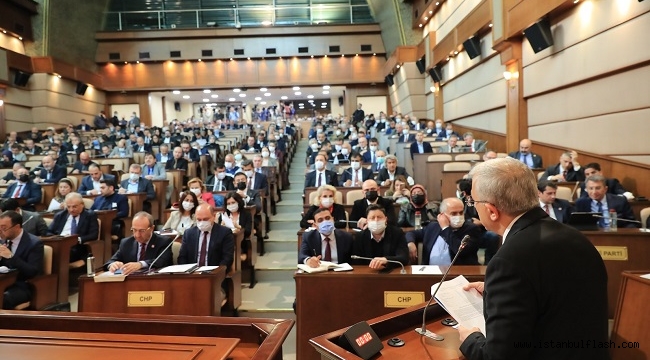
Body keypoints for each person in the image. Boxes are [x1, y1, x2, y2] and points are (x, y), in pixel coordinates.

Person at [457, 157, 608, 360]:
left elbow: (499, 356)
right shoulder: (576, 237)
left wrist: (470, 339)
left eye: (473, 201)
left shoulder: (507, 262)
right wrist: (498, 291)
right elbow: (556, 297)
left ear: (492, 211)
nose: (473, 207)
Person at [406, 197, 480, 265]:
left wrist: (445, 228)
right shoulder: (433, 227)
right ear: (442, 215)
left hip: (458, 274)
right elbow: (411, 233)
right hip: (429, 274)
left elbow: (460, 251)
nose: (458, 216)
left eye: (461, 213)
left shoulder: (471, 229)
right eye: (454, 213)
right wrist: (410, 243)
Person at [0, 211, 44, 309]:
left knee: (3, 298)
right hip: (3, 282)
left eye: (4, 228)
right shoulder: (3, 241)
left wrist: (11, 257)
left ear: (16, 227)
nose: (0, 231)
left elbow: (33, 271)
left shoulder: (34, 243)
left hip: (23, 285)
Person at [105, 212, 173, 275]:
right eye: (134, 230)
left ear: (152, 228)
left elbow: (162, 261)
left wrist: (140, 264)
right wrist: (113, 264)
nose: (137, 235)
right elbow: (110, 261)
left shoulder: (163, 241)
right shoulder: (126, 243)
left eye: (142, 231)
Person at [350, 205, 409, 269]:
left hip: (391, 273)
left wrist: (386, 260)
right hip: (368, 274)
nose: (376, 220)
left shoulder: (397, 233)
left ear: (386, 220)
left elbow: (404, 257)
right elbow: (356, 261)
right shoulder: (360, 236)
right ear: (367, 221)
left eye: (379, 217)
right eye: (372, 218)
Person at [178, 203, 235, 270]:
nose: (202, 222)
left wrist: (217, 272)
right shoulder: (188, 234)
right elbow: (182, 258)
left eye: (205, 219)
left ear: (214, 216)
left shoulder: (225, 233)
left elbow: (227, 258)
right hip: (192, 274)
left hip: (215, 274)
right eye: (199, 220)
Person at [47, 193, 99, 263]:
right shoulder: (60, 215)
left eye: (74, 207)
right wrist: (56, 238)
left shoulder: (90, 215)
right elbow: (48, 232)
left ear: (82, 204)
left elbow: (94, 234)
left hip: (76, 247)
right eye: (68, 207)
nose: (71, 210)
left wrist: (76, 240)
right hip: (59, 243)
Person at [574, 175, 638, 228]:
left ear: (605, 189)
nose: (594, 192)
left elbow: (632, 222)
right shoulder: (581, 203)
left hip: (616, 236)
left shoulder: (620, 201)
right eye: (591, 188)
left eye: (598, 188)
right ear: (586, 190)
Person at [219, 192, 253, 261]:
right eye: (228, 204)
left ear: (238, 202)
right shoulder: (223, 215)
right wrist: (220, 227)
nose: (231, 205)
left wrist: (239, 227)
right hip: (226, 245)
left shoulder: (246, 214)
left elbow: (248, 232)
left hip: (241, 245)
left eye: (233, 202)